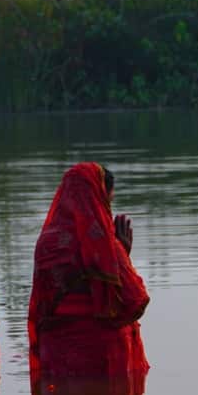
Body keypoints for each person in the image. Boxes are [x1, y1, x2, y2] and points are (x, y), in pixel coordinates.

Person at [28, 162, 149, 381]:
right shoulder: (102, 244)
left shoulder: (46, 242)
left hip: (56, 354)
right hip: (99, 355)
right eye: (107, 202)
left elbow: (42, 303)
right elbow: (135, 301)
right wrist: (121, 253)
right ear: (97, 199)